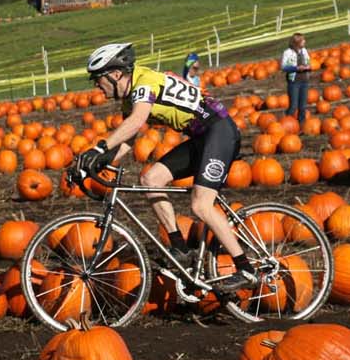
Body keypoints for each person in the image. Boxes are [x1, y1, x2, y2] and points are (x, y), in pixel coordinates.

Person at [76, 42, 255, 292]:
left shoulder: (145, 81)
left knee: (200, 204)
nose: (97, 85)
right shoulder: (130, 97)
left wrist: (99, 148)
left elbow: (137, 122)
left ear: (115, 74)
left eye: (98, 79)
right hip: (202, 137)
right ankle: (180, 248)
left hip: (219, 131)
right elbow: (129, 138)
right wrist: (98, 163)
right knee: (151, 179)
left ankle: (245, 268)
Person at [281, 33, 313, 124]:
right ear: (297, 42)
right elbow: (283, 67)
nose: (305, 41)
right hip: (294, 82)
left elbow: (309, 62)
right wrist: (296, 68)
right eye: (303, 40)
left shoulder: (304, 51)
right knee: (293, 106)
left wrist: (308, 67)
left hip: (304, 81)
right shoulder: (287, 52)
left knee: (302, 106)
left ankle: (301, 124)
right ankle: (286, 122)